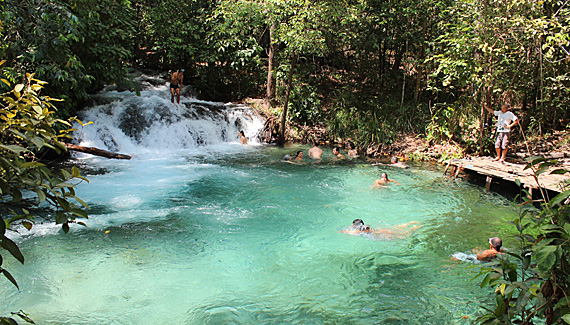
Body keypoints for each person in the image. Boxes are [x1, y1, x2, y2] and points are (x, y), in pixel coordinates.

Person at [339, 219, 420, 239]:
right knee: (396, 228)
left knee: (403, 235)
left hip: (380, 233)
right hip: (380, 230)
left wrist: (343, 231)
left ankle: (415, 227)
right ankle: (410, 224)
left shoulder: (359, 230)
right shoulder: (365, 226)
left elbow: (350, 232)